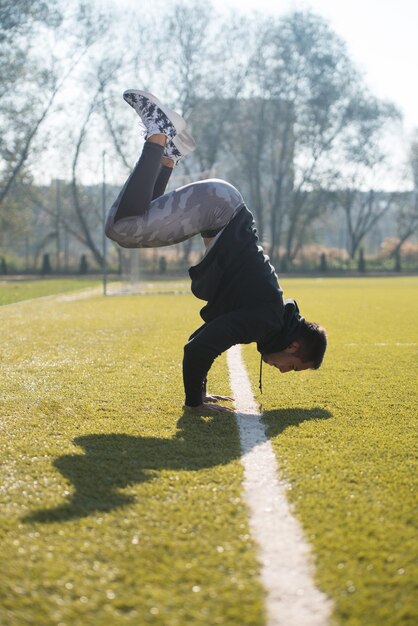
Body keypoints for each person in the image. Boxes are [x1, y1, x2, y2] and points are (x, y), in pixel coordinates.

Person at [105, 90, 327, 413]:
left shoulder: (268, 315)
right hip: (218, 208)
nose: (282, 371)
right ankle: (158, 132)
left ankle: (168, 152)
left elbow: (200, 340)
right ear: (293, 346)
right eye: (292, 366)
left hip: (220, 205)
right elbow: (198, 349)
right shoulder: (265, 319)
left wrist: (201, 392)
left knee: (135, 217)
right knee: (121, 227)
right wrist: (195, 404)